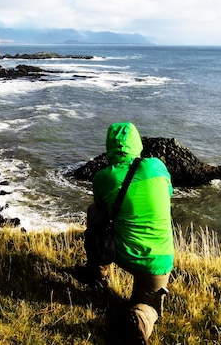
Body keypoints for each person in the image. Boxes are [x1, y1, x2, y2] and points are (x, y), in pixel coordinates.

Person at [75, 122, 174, 344]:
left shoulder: (103, 177)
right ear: (137, 144)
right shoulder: (157, 167)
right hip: (159, 261)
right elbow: (169, 192)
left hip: (122, 253)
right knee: (148, 305)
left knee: (95, 212)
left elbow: (102, 210)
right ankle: (139, 320)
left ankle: (98, 271)